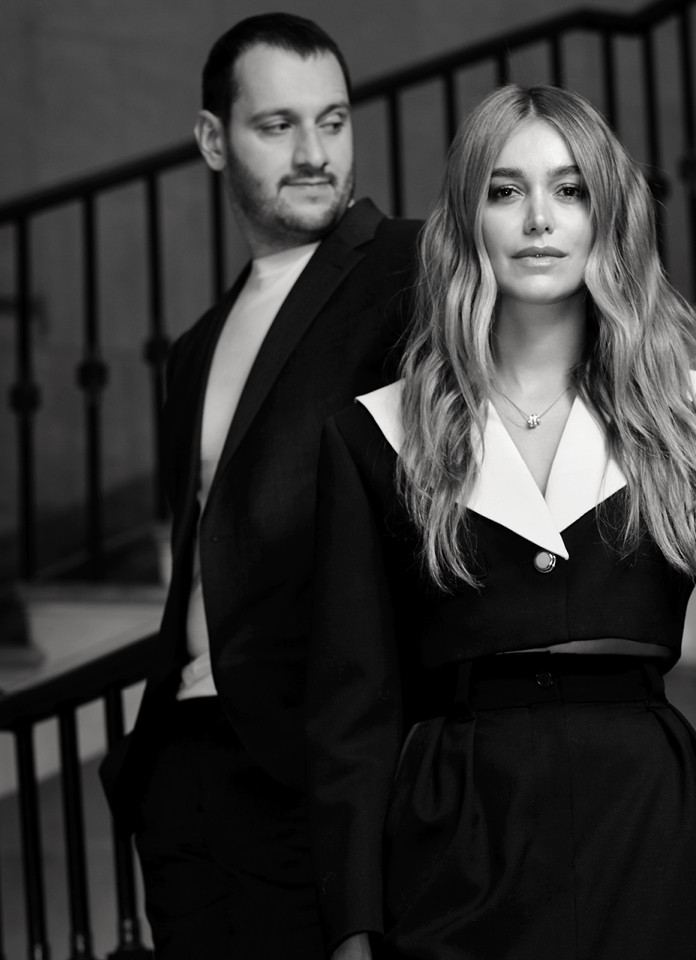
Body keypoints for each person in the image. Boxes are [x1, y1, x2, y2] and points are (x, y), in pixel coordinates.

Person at [306, 85, 696, 960]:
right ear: (466, 220)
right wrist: (352, 928)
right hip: (454, 837)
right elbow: (354, 710)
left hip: (649, 827)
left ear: (607, 215)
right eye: (505, 190)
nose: (539, 218)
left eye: (570, 191)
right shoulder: (373, 434)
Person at [98, 13, 421, 959]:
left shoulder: (411, 269)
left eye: (334, 121)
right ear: (214, 140)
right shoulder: (196, 348)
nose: (316, 153)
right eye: (278, 125)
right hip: (185, 769)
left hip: (313, 767)